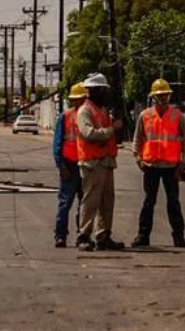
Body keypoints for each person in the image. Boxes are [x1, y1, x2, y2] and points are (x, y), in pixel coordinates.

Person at [132, 79, 185, 248]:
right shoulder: (145, 115)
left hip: (170, 166)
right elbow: (138, 138)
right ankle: (143, 236)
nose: (163, 98)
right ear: (154, 97)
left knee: (173, 202)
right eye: (160, 95)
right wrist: (138, 158)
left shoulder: (177, 116)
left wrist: (184, 162)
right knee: (148, 202)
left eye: (165, 94)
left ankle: (179, 237)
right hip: (150, 165)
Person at [75, 72, 125, 251]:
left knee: (107, 200)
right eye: (103, 90)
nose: (106, 94)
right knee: (91, 201)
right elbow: (89, 134)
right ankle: (84, 235)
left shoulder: (102, 110)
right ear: (94, 91)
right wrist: (112, 129)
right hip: (92, 163)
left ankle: (103, 235)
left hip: (106, 161)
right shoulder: (85, 111)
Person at [52, 83, 89, 247]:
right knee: (65, 203)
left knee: (84, 203)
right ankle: (60, 235)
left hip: (86, 164)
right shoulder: (65, 117)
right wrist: (61, 166)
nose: (78, 103)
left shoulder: (89, 116)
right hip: (70, 164)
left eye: (81, 99)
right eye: (76, 100)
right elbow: (57, 144)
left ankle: (82, 235)